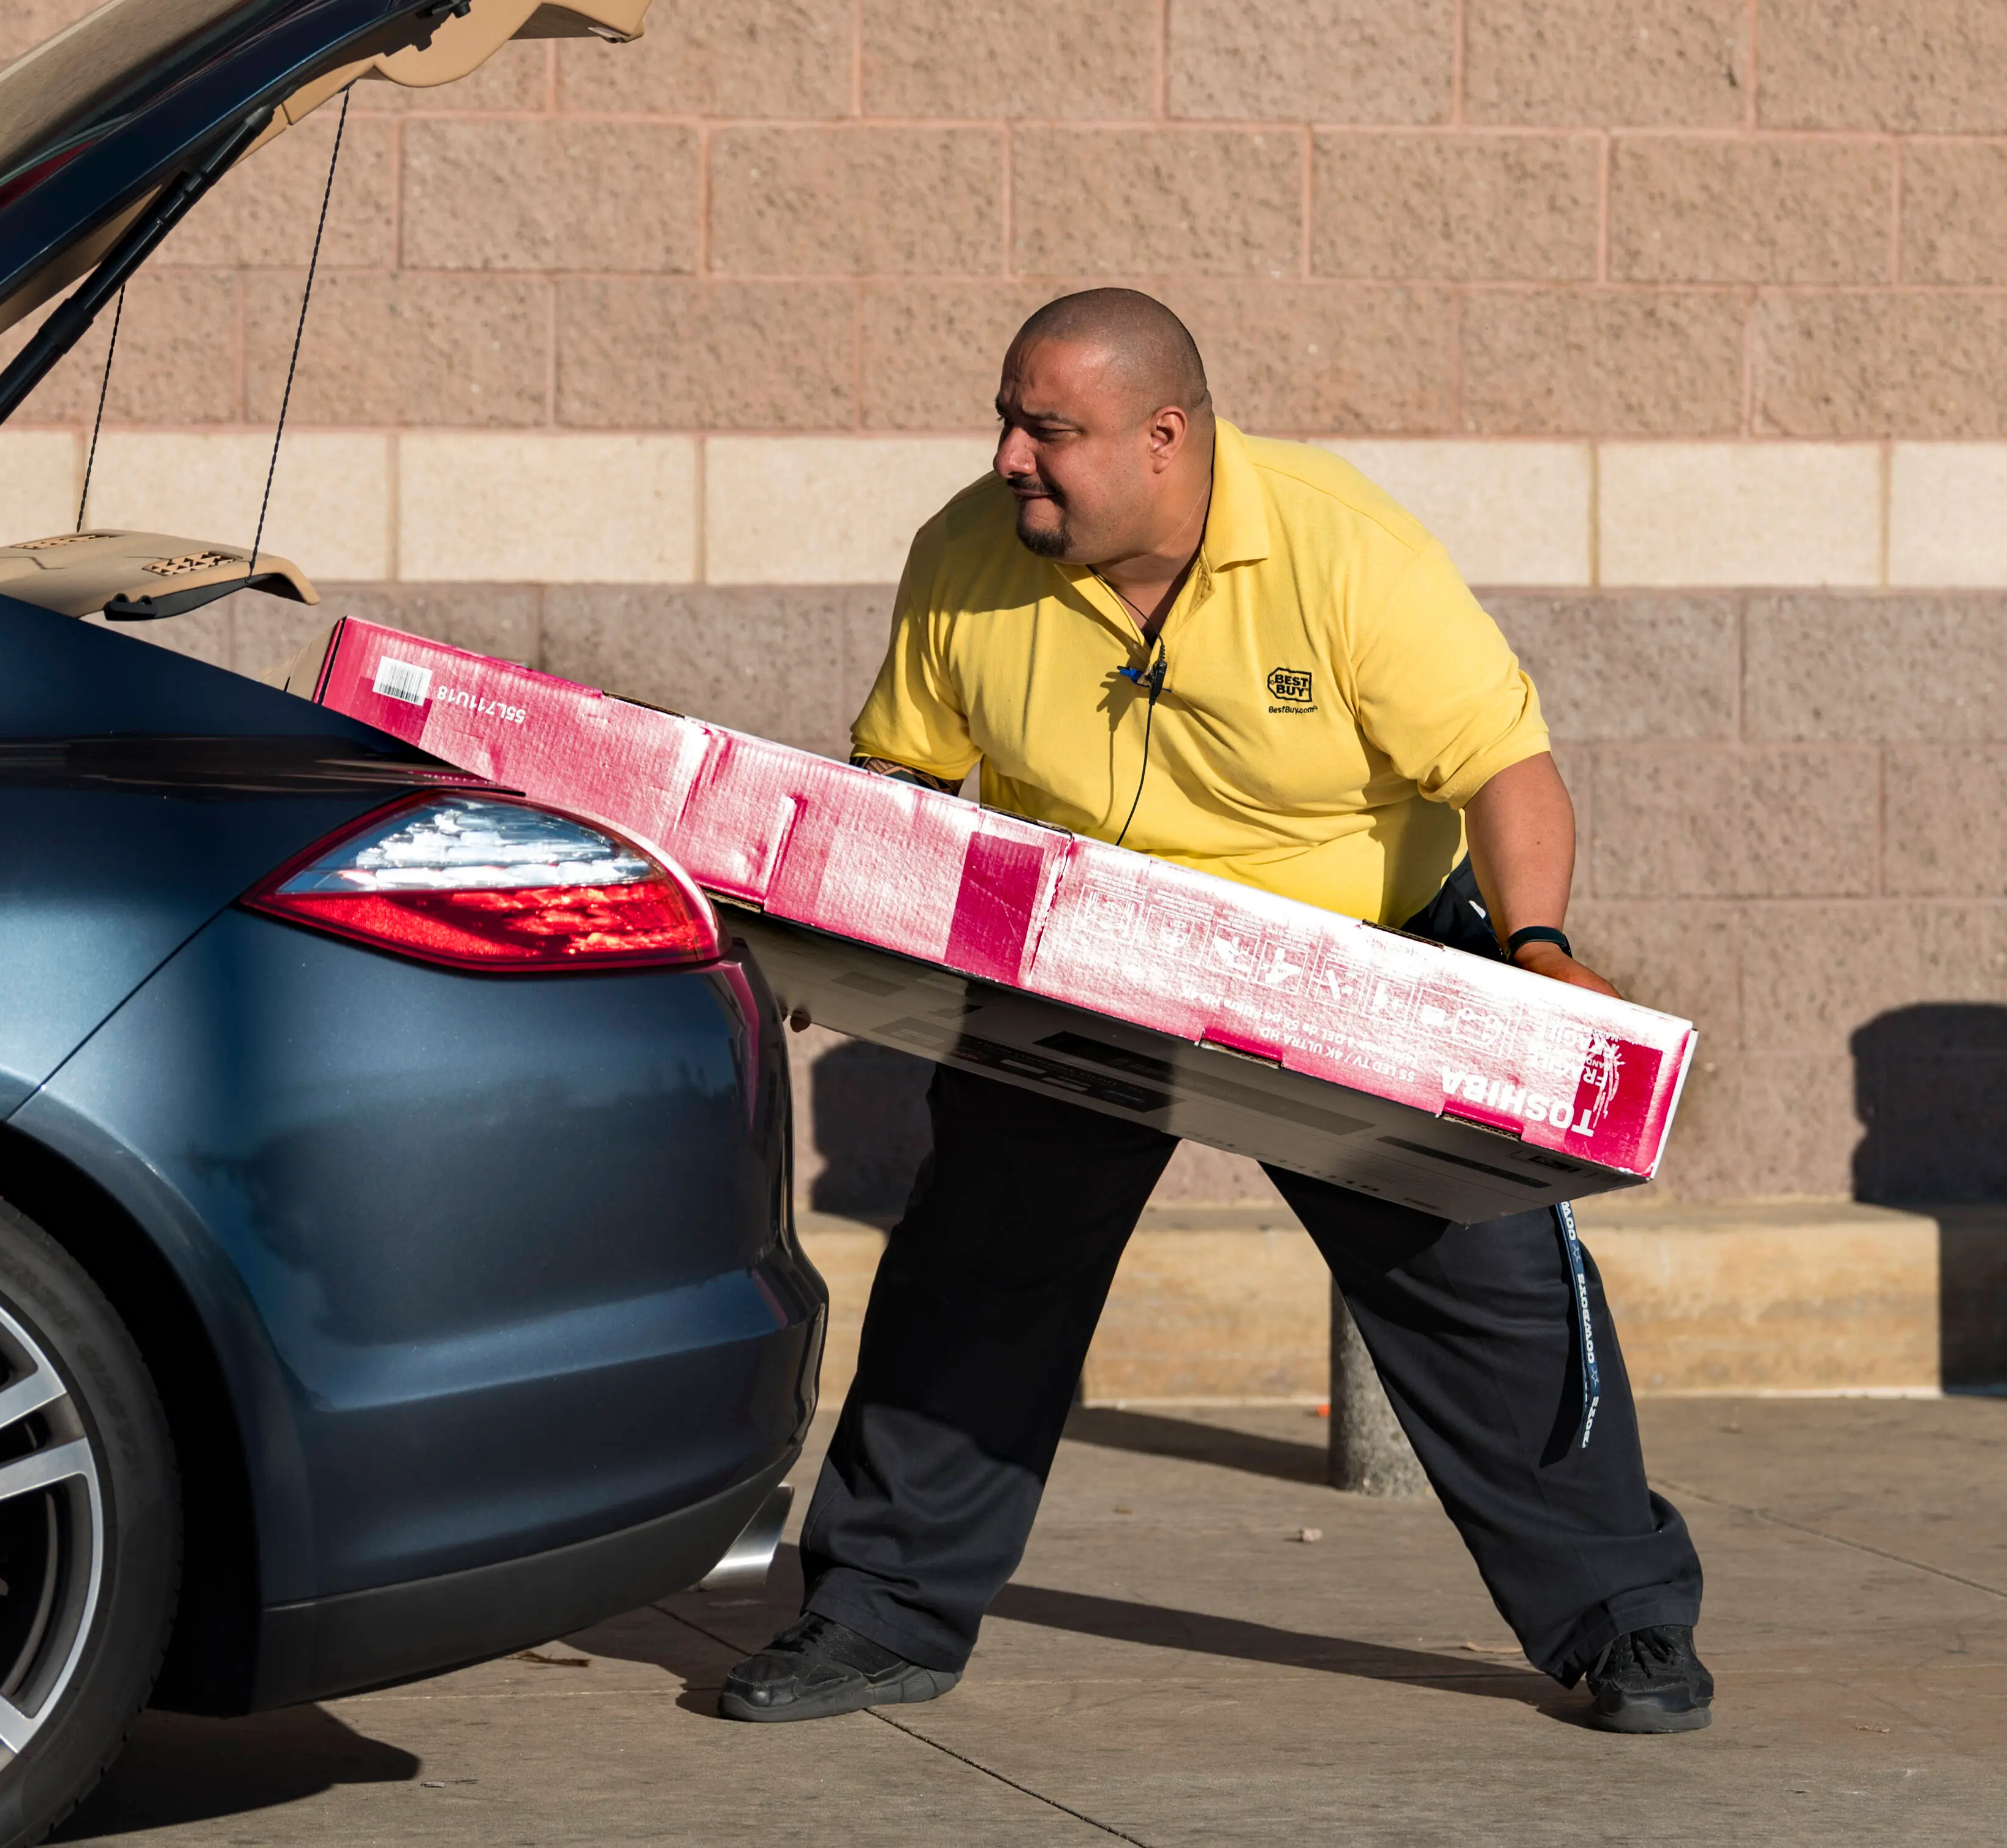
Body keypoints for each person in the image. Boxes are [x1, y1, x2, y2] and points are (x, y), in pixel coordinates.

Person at [720, 288, 1713, 1735]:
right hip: (1072, 963)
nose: (1010, 457)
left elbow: (1504, 763)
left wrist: (1541, 946)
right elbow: (908, 782)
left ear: (1166, 437)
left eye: (1051, 430)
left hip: (1354, 958)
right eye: (1007, 420)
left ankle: (1623, 1623)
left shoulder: (1342, 550)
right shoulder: (964, 555)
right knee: (973, 1280)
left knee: (1483, 1295)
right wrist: (831, 935)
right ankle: (877, 1611)